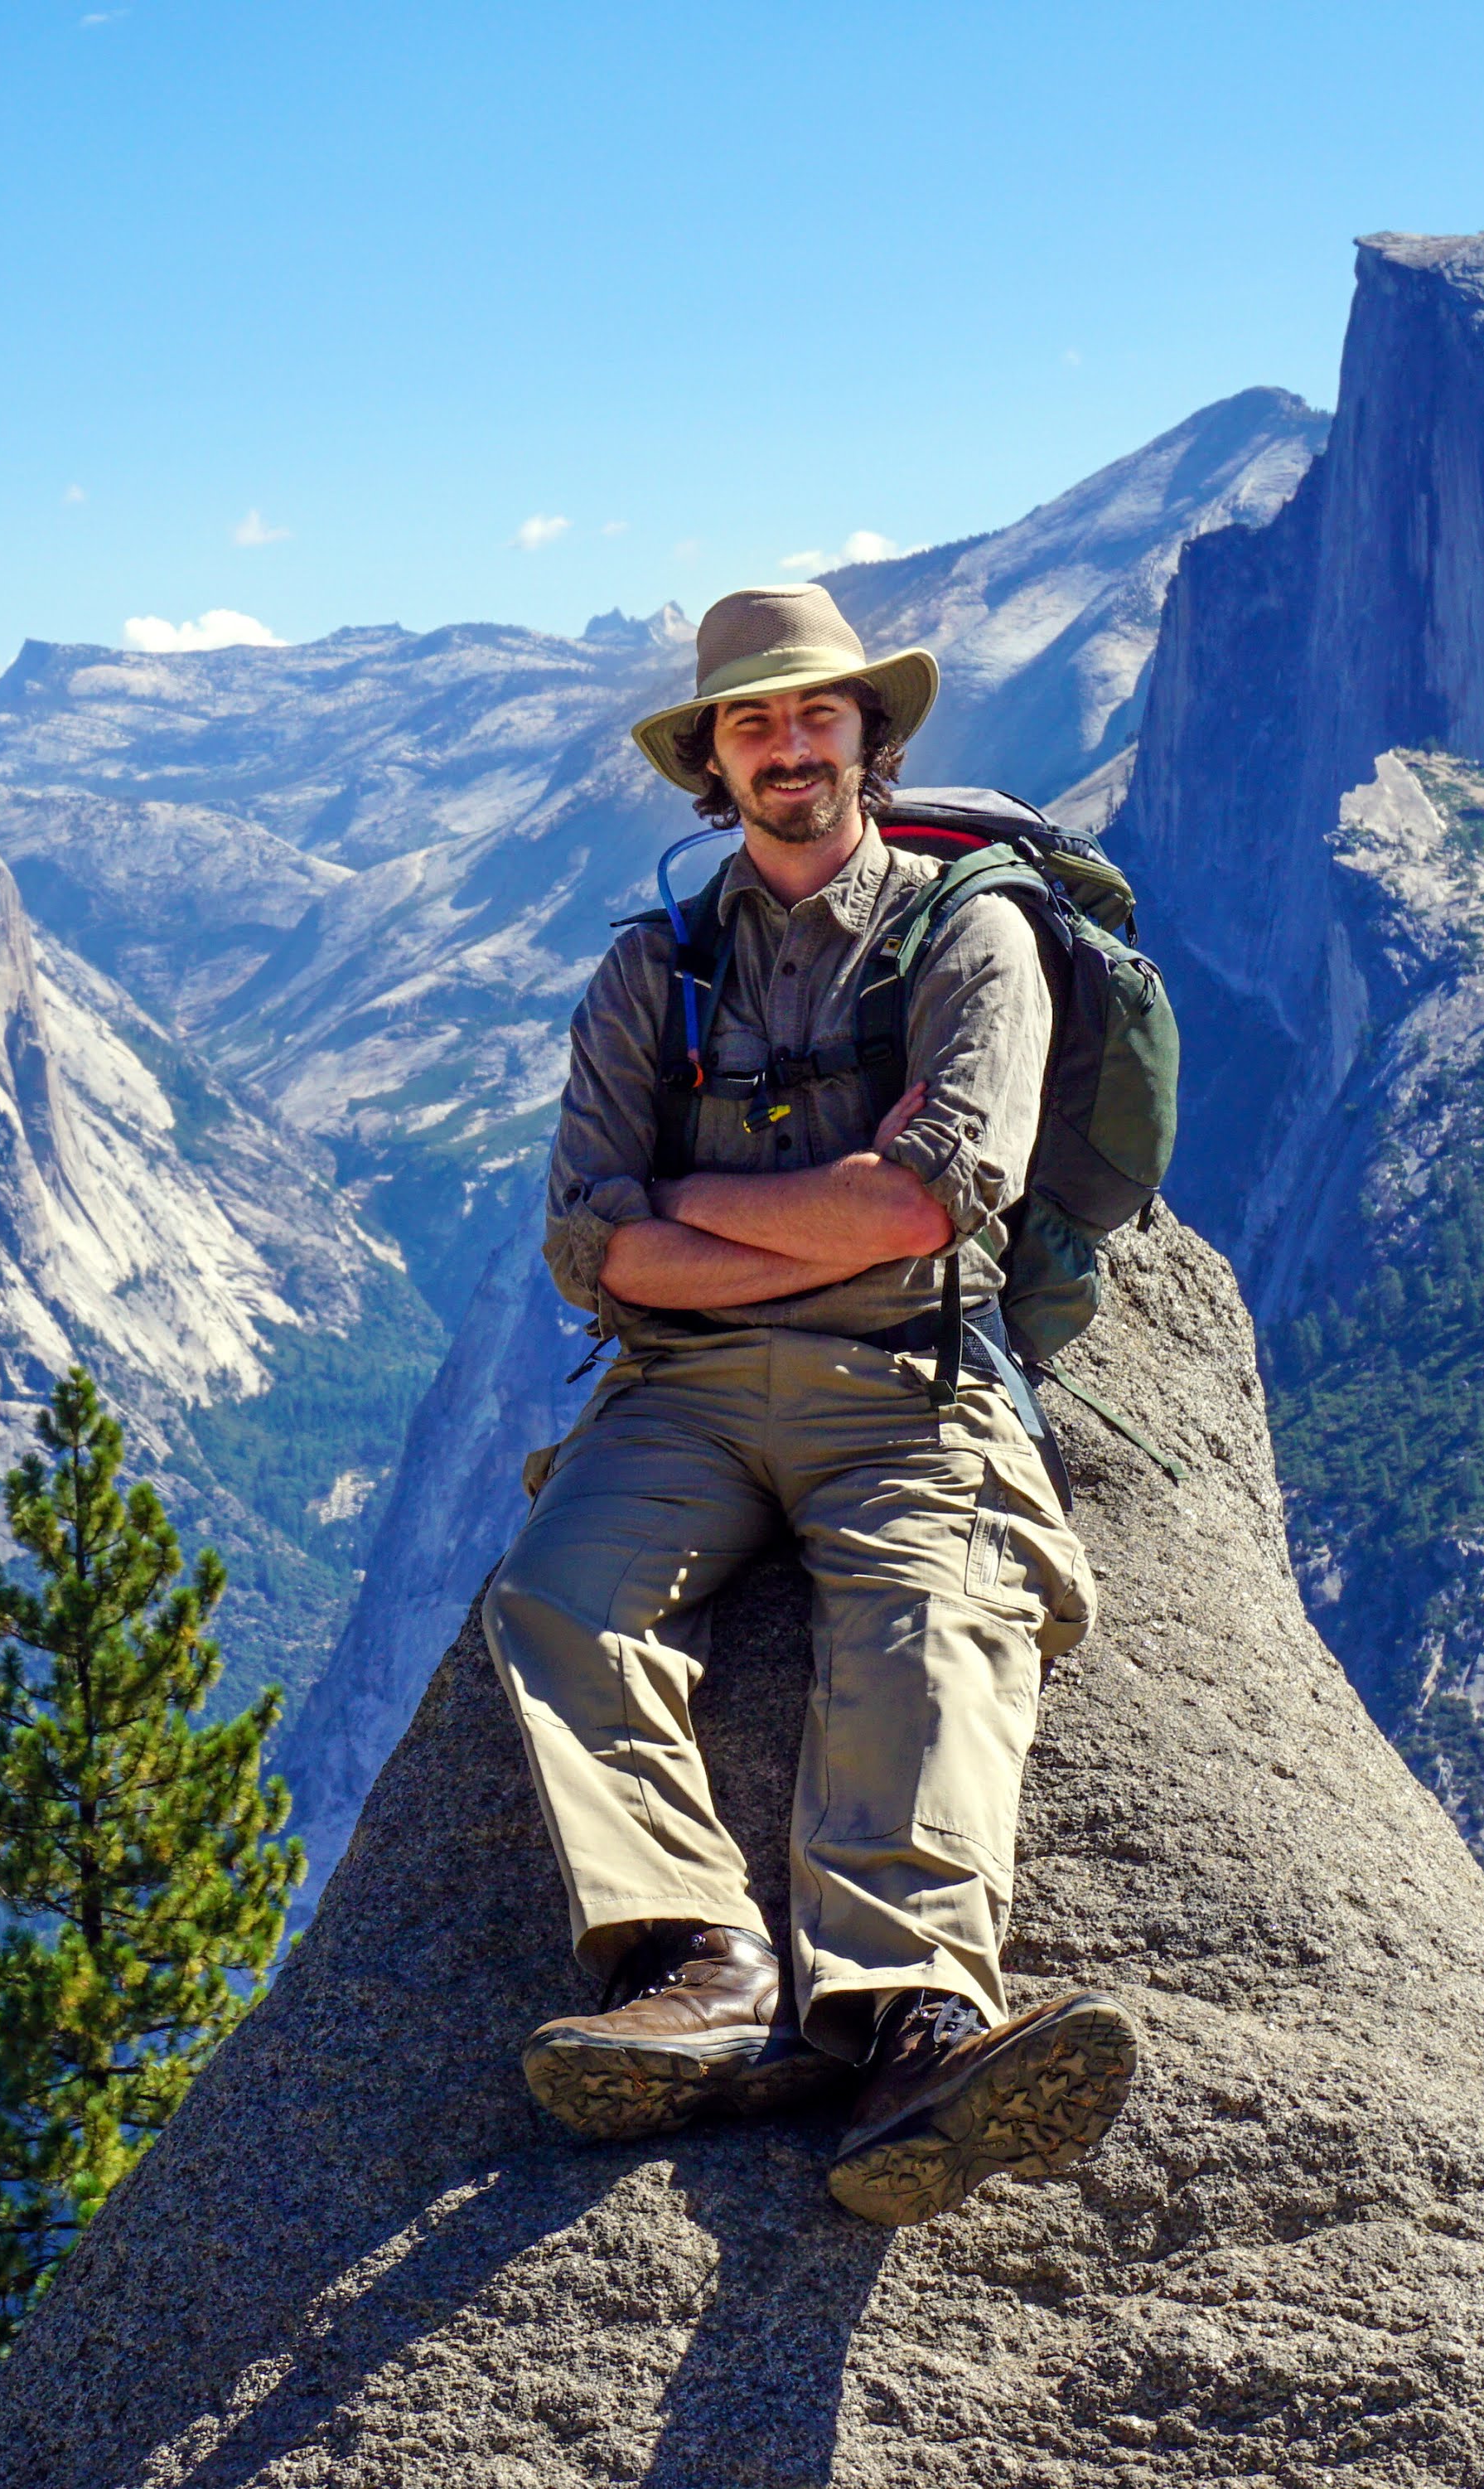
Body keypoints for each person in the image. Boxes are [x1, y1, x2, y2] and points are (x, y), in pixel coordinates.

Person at [481, 583, 1138, 2228]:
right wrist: (824, 1204)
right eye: (753, 721)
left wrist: (690, 1225)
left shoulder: (968, 928)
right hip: (683, 1394)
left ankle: (913, 2020)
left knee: (931, 1607)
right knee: (561, 1596)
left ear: (870, 732)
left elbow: (945, 1195)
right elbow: (584, 1241)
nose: (787, 745)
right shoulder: (656, 971)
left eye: (815, 713)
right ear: (713, 758)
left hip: (908, 1376)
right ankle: (697, 1959)